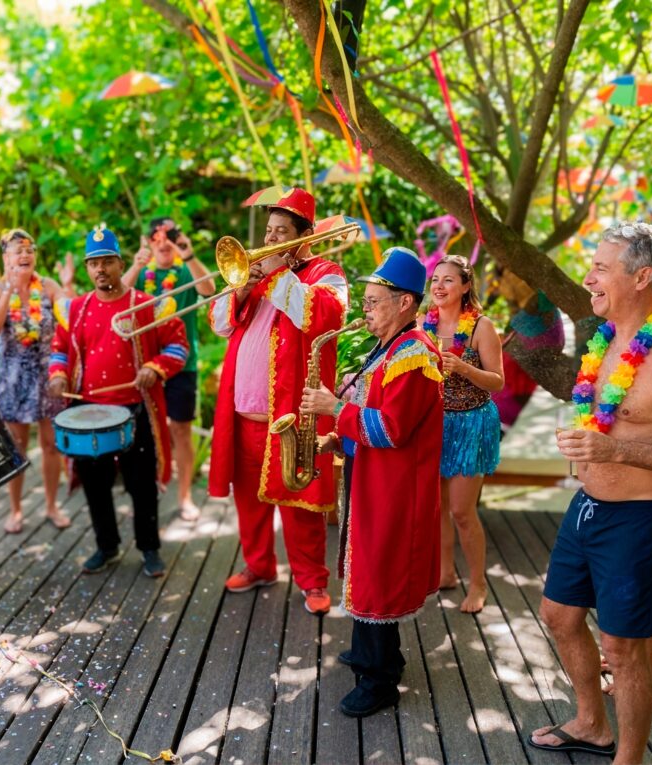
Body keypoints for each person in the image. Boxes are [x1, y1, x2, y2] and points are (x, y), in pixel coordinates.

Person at [531, 222, 652, 762]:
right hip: (588, 508)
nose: (588, 276)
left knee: (625, 650)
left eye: (600, 267)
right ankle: (593, 724)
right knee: (559, 615)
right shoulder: (603, 340)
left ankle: (630, 759)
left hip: (645, 517)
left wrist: (618, 453)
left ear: (643, 276)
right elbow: (610, 423)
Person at [302, 247, 443, 717]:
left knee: (379, 570)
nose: (365, 311)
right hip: (376, 478)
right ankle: (373, 654)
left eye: (374, 302)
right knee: (366, 562)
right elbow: (373, 418)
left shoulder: (414, 356)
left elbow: (391, 429)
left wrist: (333, 410)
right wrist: (337, 439)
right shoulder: (391, 348)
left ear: (405, 302)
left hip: (396, 487)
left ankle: (379, 679)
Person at [208, 188, 348, 616]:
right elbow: (218, 325)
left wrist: (275, 276)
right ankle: (259, 565)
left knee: (298, 500)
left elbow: (322, 316)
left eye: (281, 233)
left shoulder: (327, 273)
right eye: (268, 232)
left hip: (289, 416)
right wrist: (242, 289)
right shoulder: (252, 274)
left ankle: (312, 583)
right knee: (247, 499)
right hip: (242, 411)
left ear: (304, 237)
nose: (270, 241)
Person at [46, 226, 187, 578]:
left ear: (120, 263)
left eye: (107, 261)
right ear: (87, 268)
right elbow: (59, 350)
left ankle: (149, 549)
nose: (100, 270)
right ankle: (106, 546)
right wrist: (59, 375)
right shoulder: (75, 309)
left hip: (135, 412)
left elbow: (178, 347)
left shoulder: (148, 306)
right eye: (93, 263)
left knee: (142, 485)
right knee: (95, 486)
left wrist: (156, 367)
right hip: (88, 414)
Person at [419, 255, 503, 613]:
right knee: (436, 507)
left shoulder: (481, 327)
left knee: (462, 511)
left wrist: (465, 368)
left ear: (466, 286)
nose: (439, 286)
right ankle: (445, 572)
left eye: (448, 280)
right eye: (435, 279)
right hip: (436, 423)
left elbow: (497, 381)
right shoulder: (425, 324)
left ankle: (479, 585)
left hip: (471, 424)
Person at [123, 217, 215, 521]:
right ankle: (148, 489)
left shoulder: (185, 269)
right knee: (145, 431)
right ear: (149, 242)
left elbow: (208, 288)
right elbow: (116, 299)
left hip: (182, 365)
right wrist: (136, 265)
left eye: (170, 236)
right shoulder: (142, 275)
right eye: (157, 237)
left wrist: (187, 253)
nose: (164, 242)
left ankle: (185, 496)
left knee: (181, 431)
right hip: (145, 366)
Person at [0, 229, 75, 534]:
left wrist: (68, 284)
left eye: (29, 249)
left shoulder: (47, 286)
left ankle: (51, 506)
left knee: (51, 445)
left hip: (48, 377)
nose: (25, 255)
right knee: (17, 446)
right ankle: (16, 509)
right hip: (13, 379)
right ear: (6, 258)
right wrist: (10, 289)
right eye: (17, 251)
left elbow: (71, 315)